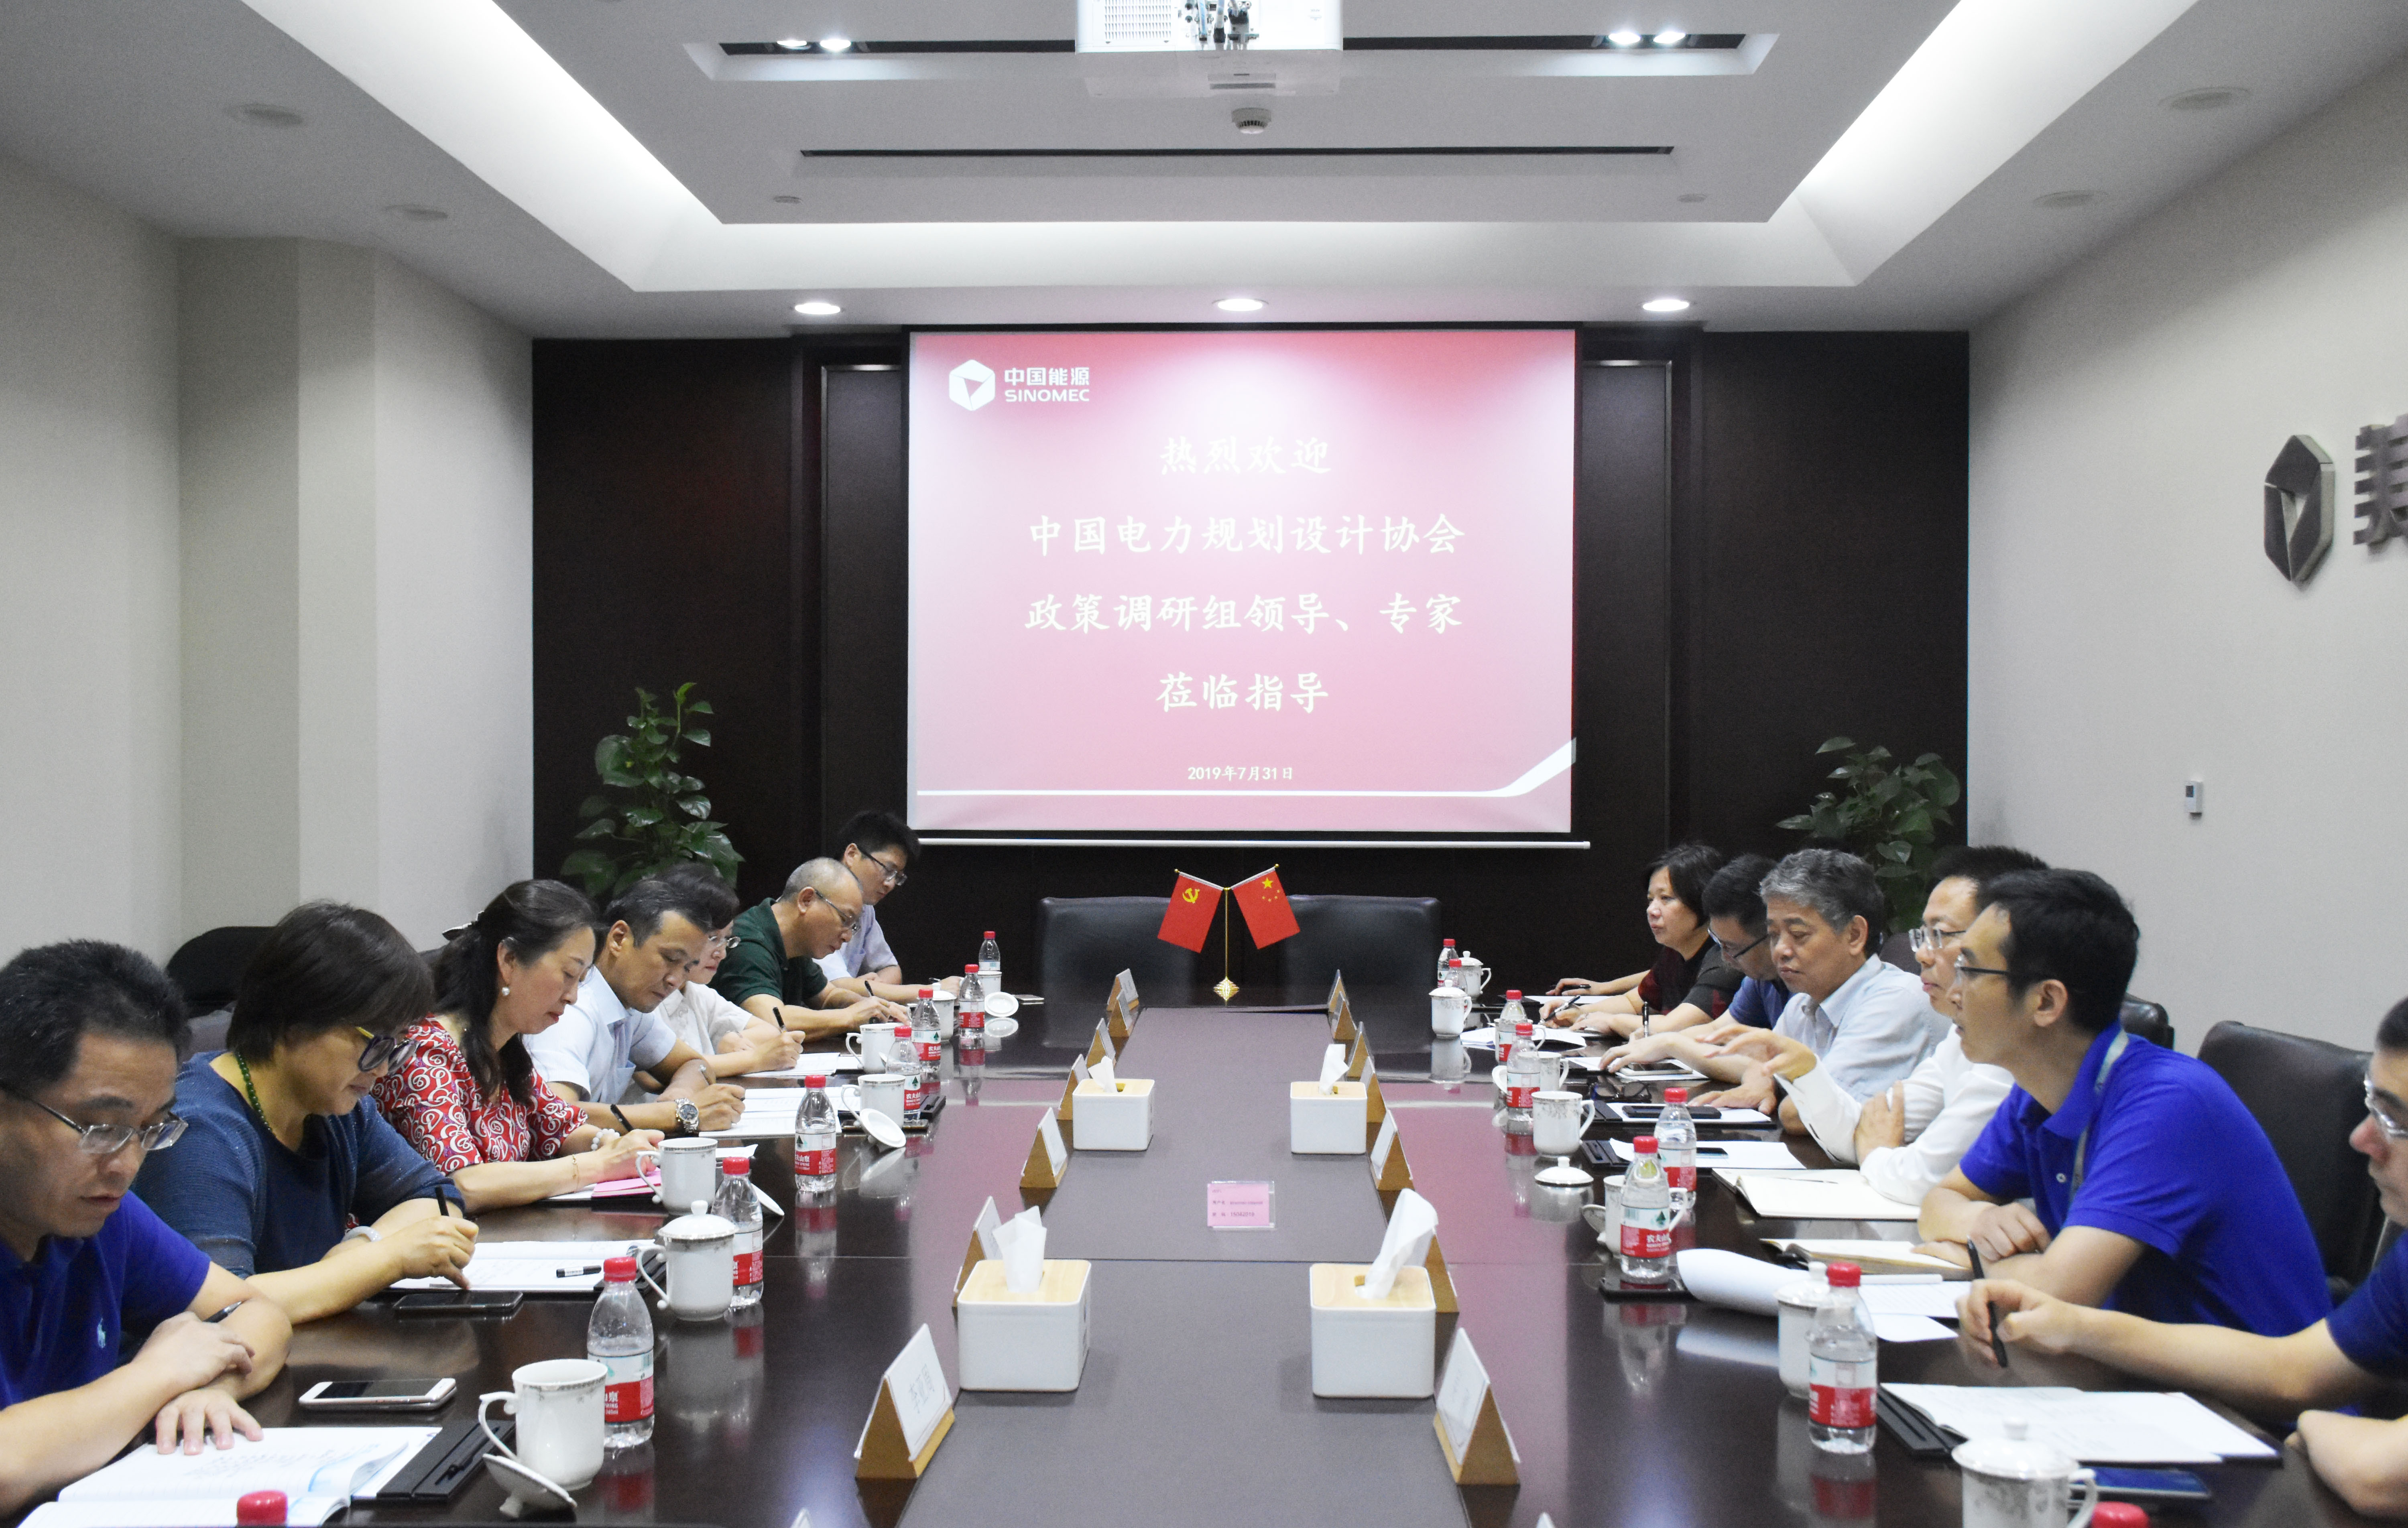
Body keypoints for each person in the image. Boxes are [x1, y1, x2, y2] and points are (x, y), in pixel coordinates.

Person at [1959, 996, 2408, 1518]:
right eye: (2373, 1106)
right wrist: (2074, 1326)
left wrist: (2316, 1426)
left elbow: (2377, 1475)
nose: (2363, 1138)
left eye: (2394, 1120)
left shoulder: (2169, 1099)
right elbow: (2292, 1371)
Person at [1916, 868, 2329, 1336]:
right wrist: (1981, 1220)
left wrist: (1971, 1259)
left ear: (2046, 1002)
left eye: (1970, 971)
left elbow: (2059, 1292)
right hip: (2118, 1366)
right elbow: (1939, 1203)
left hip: (2238, 1383)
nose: (1954, 992)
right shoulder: (2037, 1093)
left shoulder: (2168, 1104)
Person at [0, 941, 291, 1513]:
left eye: (150, 1128)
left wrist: (211, 1388)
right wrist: (154, 1378)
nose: (127, 1164)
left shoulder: (104, 1215)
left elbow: (258, 1313)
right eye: (101, 1128)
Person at [134, 904, 479, 1323]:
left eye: (397, 1046)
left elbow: (436, 1196)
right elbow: (220, 1306)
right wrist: (387, 1259)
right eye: (375, 1044)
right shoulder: (200, 1131)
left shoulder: (337, 1106)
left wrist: (359, 1249)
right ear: (295, 1022)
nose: (384, 1069)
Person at [1703, 846, 2037, 1201]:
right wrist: (1807, 1073)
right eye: (1923, 935)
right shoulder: (1962, 1037)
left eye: (1940, 935)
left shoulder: (2008, 1051)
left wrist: (1877, 1153)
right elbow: (1856, 1131)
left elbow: (1919, 1178)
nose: (1922, 954)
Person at [375, 880, 664, 1209]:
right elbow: (462, 1183)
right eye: (568, 974)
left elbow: (560, 1127)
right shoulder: (426, 1054)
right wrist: (599, 1165)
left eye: (581, 981)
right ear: (509, 960)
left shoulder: (505, 1049)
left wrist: (613, 1145)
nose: (572, 997)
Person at [1605, 848, 1943, 1120]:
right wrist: (1763, 1078)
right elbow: (1762, 1069)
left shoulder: (1894, 1001)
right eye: (1774, 934)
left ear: (1855, 935)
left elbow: (1804, 1115)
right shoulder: (1803, 1003)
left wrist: (1774, 1084)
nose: (1780, 950)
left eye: (1798, 934)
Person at [525, 875, 755, 1138]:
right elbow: (555, 1115)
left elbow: (695, 1064)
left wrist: (679, 1096)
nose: (675, 980)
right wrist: (679, 1114)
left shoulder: (627, 1005)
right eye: (670, 959)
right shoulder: (572, 1012)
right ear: (619, 938)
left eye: (687, 968)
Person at [632, 864, 802, 1090]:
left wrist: (728, 1040)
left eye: (727, 939)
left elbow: (770, 1034)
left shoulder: (696, 991)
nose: (721, 953)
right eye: (713, 938)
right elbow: (655, 1074)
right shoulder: (644, 994)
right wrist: (753, 1059)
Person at [1546, 844, 1740, 1036]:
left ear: (1704, 901)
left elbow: (1673, 1028)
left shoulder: (1726, 960)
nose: (1651, 910)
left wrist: (1611, 1021)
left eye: (1666, 898)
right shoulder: (1675, 953)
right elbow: (1633, 1003)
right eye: (1651, 900)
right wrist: (1577, 1012)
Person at [714, 859, 908, 1043]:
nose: (848, 936)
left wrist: (873, 1007)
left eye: (853, 927)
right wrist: (850, 1017)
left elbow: (828, 997)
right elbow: (775, 1021)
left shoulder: (795, 943)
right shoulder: (747, 943)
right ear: (806, 900)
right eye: (845, 920)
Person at [1701, 854, 1787, 1029]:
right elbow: (1718, 1031)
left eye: (1731, 948)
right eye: (1718, 942)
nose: (1725, 957)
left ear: (1772, 935)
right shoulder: (1760, 980)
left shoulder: (1809, 985)